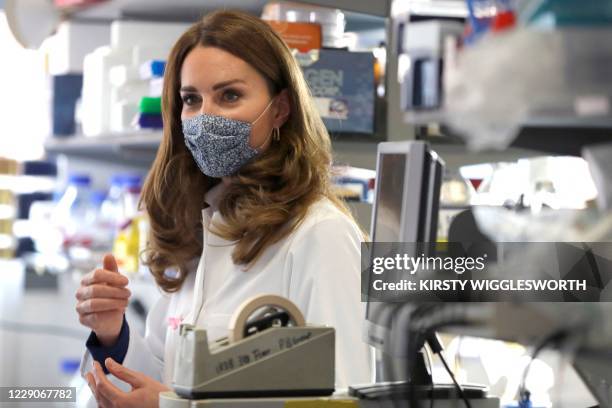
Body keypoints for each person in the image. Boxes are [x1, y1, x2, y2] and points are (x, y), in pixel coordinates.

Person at [75, 9, 371, 408]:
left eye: (229, 95)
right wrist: (111, 333)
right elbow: (163, 380)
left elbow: (343, 400)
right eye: (191, 100)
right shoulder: (204, 229)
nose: (205, 117)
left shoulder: (320, 234)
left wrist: (171, 407)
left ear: (281, 109)